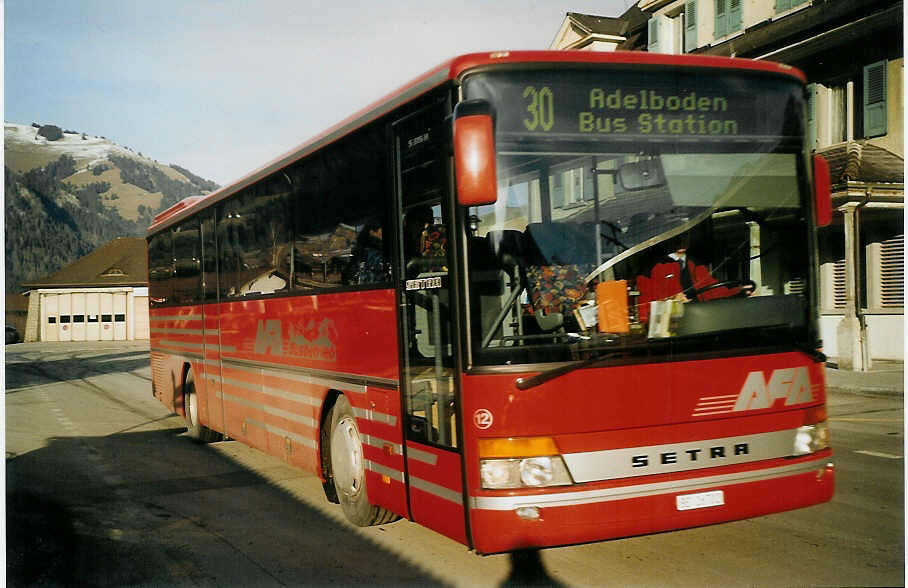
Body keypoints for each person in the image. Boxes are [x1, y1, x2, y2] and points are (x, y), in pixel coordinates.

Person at [636, 234, 741, 322]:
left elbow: (715, 291)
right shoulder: (652, 268)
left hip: (702, 320)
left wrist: (740, 291)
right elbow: (644, 307)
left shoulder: (696, 264)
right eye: (676, 235)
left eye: (685, 234)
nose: (681, 240)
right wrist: (672, 302)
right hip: (674, 325)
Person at [351, 218, 387, 285]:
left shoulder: (360, 251)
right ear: (372, 232)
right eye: (380, 233)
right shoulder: (375, 252)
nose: (382, 235)